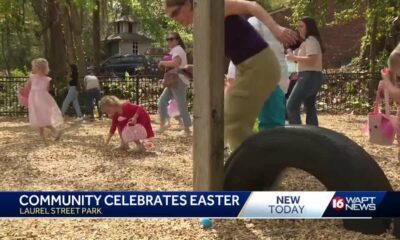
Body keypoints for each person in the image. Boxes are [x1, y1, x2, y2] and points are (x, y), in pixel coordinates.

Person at [164, 0, 297, 151]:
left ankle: (253, 167)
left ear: (188, 3)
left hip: (260, 65)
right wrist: (195, 70)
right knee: (230, 121)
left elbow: (250, 6)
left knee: (233, 123)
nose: (175, 19)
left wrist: (276, 29)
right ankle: (258, 162)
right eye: (171, 16)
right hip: (247, 69)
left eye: (175, 12)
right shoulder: (203, 25)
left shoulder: (214, 8)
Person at [286, 17, 324, 126]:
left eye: (301, 26)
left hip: (308, 76)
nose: (299, 29)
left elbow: (312, 59)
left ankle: (298, 135)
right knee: (309, 106)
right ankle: (312, 134)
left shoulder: (311, 41)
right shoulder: (310, 41)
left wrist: (294, 57)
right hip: (312, 75)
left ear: (309, 28)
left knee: (291, 106)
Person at [157, 32, 192, 136]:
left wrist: (162, 62)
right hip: (174, 80)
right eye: (168, 39)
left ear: (177, 40)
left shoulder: (177, 49)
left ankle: (187, 129)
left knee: (181, 103)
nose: (169, 41)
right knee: (162, 101)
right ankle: (163, 124)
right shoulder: (176, 50)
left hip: (178, 79)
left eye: (171, 39)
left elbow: (175, 63)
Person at [23, 58, 63, 140]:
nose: (32, 68)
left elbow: (26, 86)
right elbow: (47, 90)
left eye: (33, 67)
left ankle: (54, 131)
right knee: (41, 116)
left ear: (38, 68)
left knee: (39, 117)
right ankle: (42, 135)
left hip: (35, 98)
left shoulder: (32, 77)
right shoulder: (46, 79)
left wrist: (25, 90)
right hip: (44, 98)